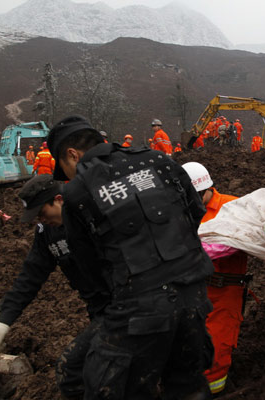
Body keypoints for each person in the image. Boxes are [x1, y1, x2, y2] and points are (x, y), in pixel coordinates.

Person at [47, 115, 214, 399]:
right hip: (193, 293)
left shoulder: (77, 192)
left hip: (138, 310)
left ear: (72, 155)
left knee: (115, 387)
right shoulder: (159, 161)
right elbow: (195, 213)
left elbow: (89, 264)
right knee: (188, 384)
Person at [0, 175, 109, 399]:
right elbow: (31, 274)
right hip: (98, 308)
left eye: (42, 213)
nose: (40, 220)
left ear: (59, 200)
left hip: (123, 305)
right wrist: (5, 319)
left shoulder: (94, 214)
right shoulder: (47, 233)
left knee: (71, 369)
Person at [182, 162, 250, 395]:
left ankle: (213, 391)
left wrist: (196, 251)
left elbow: (240, 240)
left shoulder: (232, 207)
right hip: (193, 290)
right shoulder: (183, 209)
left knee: (218, 346)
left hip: (225, 290)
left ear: (204, 190)